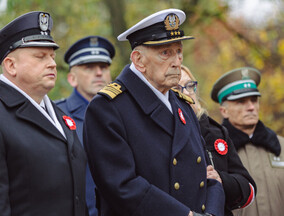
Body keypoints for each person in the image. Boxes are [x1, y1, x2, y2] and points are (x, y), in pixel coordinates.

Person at [83, 9, 225, 216]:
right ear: (139, 60)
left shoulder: (183, 104)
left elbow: (210, 175)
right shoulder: (108, 108)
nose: (177, 61)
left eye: (178, 51)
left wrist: (212, 213)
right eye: (165, 53)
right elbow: (123, 186)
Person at [0, 11, 88, 216]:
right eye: (40, 57)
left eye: (52, 56)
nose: (51, 63)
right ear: (11, 65)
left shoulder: (58, 115)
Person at [177, 65, 256, 216]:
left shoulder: (216, 132)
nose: (186, 92)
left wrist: (221, 180)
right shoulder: (158, 131)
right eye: (177, 88)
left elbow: (249, 188)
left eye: (189, 86)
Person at [211, 67, 284, 216]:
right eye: (241, 102)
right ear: (224, 111)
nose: (251, 107)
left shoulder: (281, 146)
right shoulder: (214, 151)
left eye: (254, 100)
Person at [56, 35, 115, 216]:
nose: (99, 73)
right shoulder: (58, 115)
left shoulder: (124, 113)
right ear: (72, 78)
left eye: (103, 67)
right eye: (89, 67)